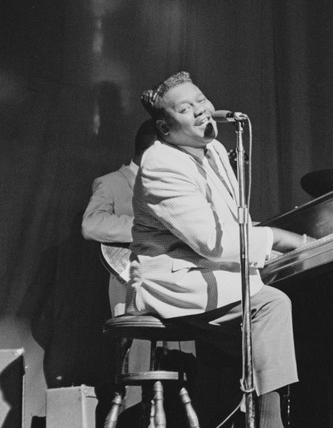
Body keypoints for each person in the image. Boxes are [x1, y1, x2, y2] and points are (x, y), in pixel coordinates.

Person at [131, 71, 306, 428]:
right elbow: (212, 242)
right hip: (179, 281)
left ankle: (243, 414)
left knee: (306, 299)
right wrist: (281, 239)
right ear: (165, 128)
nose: (200, 110)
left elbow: (232, 224)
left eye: (201, 100)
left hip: (213, 273)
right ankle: (270, 423)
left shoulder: (212, 150)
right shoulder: (160, 164)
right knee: (271, 305)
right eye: (186, 108)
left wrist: (269, 253)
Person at [81, 119, 158, 315]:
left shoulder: (177, 186)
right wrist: (147, 228)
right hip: (131, 290)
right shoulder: (111, 183)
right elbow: (91, 224)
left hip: (175, 287)